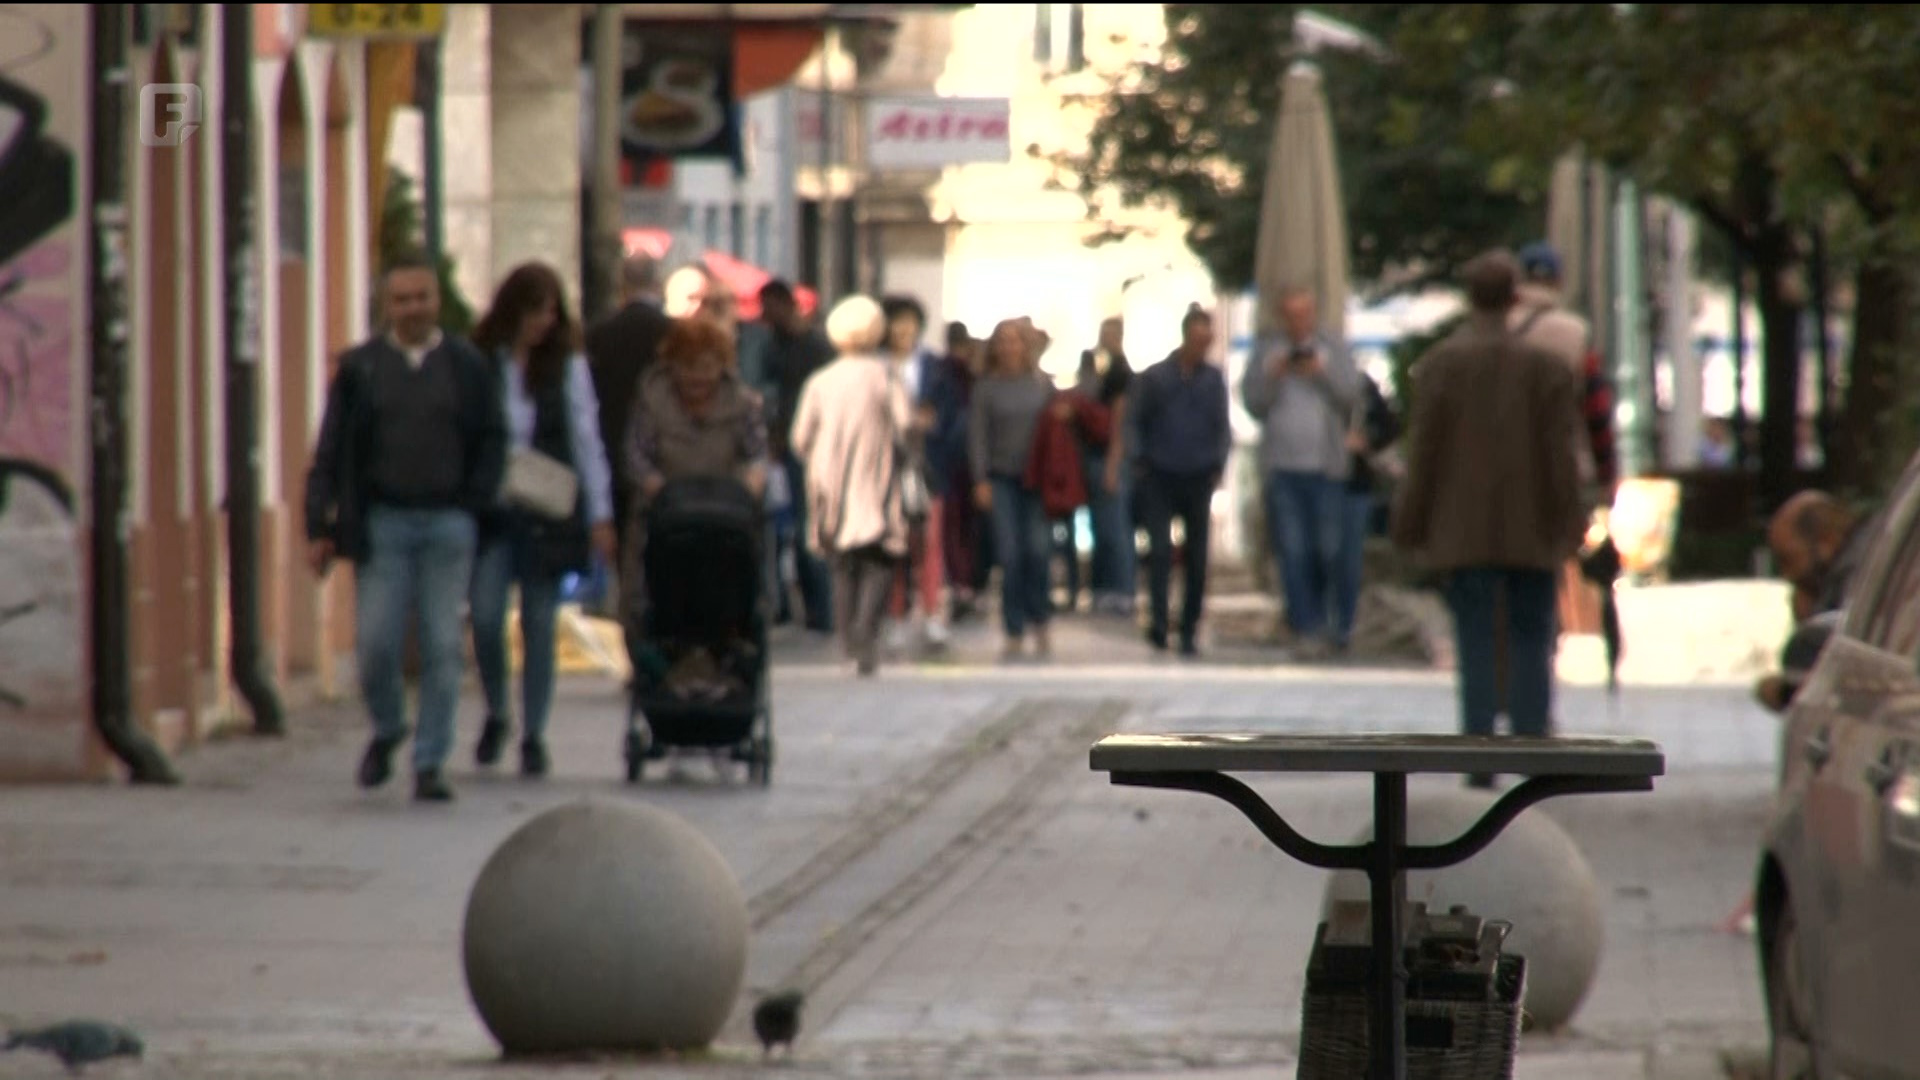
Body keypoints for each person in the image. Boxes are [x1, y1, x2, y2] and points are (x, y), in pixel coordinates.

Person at [303, 252, 507, 803]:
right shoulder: (362, 369)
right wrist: (317, 523)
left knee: (443, 644)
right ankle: (389, 728)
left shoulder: (466, 366)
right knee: (374, 642)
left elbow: (493, 437)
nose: (413, 309)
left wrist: (475, 501)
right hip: (383, 523)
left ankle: (429, 761)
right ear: (386, 306)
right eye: (402, 300)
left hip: (448, 522)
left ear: (437, 300)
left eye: (422, 297)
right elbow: (331, 449)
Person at [1392, 250, 1587, 788]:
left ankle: (1479, 751)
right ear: (1515, 297)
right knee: (1532, 635)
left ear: (1469, 297)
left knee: (1475, 638)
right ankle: (1532, 748)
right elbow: (1560, 456)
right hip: (1533, 528)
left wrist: (1409, 524)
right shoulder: (1543, 369)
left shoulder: (1440, 366)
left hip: (1462, 530)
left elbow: (1423, 454)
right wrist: (1570, 522)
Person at [465, 262, 616, 779]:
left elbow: (586, 436)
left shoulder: (567, 365)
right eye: (535, 312)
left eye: (551, 312)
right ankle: (498, 712)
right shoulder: (483, 359)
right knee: (485, 614)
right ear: (513, 311)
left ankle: (534, 734)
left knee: (539, 620)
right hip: (494, 508)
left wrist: (601, 514)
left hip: (548, 507)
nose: (544, 323)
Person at [789, 297, 913, 676]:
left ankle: (848, 644)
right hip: (874, 475)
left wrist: (821, 455)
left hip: (831, 480)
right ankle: (865, 635)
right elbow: (904, 422)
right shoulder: (885, 375)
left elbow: (799, 438)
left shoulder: (820, 380)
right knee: (878, 561)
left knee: (842, 567)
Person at [1241, 285, 1362, 658]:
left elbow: (1351, 393)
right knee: (1293, 550)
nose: (1297, 323)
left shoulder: (1332, 346)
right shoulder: (1267, 349)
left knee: (1328, 548)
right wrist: (1274, 374)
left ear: (1312, 315)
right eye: (1290, 315)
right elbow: (1253, 402)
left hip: (1325, 467)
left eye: (1303, 314)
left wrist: (1320, 372)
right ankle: (1305, 626)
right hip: (1282, 466)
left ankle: (1333, 623)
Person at [584, 252, 672, 659]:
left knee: (626, 566)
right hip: (664, 466)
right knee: (663, 558)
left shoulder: (600, 334)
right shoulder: (671, 333)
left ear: (622, 286)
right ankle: (658, 643)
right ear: (656, 284)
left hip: (612, 459)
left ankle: (634, 649)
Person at [1133, 305, 1233, 657]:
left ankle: (1189, 626)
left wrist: (1218, 463)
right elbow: (1137, 420)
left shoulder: (1213, 379)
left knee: (1197, 557)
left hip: (1198, 475)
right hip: (1160, 474)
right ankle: (1159, 623)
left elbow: (1222, 425)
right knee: (1159, 552)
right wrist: (1141, 461)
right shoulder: (1157, 378)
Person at [970, 319, 1059, 660]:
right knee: (1009, 554)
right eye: (1002, 341)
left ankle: (1040, 618)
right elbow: (977, 436)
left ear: (1026, 346)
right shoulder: (986, 388)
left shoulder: (1041, 385)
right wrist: (981, 479)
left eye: (1015, 340)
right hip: (1001, 479)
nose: (1009, 347)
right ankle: (1013, 627)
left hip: (1036, 482)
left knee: (1038, 551)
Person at [758, 279, 838, 633]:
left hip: (813, 447)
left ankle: (822, 609)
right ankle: (800, 607)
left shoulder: (815, 346)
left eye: (769, 306)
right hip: (783, 447)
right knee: (786, 528)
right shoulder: (772, 345)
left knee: (810, 527)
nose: (764, 315)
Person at [880, 294, 949, 650]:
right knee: (894, 543)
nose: (903, 329)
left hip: (926, 466)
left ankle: (932, 611)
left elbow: (952, 413)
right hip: (886, 466)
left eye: (910, 322)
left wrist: (931, 422)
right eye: (896, 322)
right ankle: (895, 613)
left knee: (929, 541)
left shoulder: (935, 366)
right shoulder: (876, 366)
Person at [1077, 316, 1137, 617]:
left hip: (1110, 458)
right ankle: (1103, 588)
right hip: (1095, 455)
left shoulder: (1121, 374)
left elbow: (1120, 422)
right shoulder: (1099, 369)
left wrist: (1114, 464)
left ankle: (1123, 589)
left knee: (1116, 528)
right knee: (1102, 526)